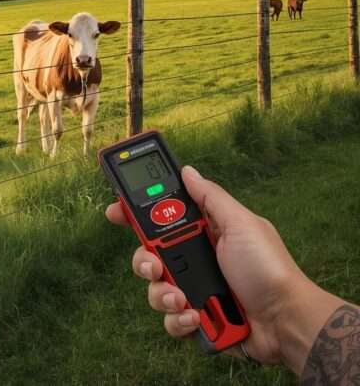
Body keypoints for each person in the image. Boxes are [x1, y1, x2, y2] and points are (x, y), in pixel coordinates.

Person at [106, 165, 359, 384]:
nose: (153, 189)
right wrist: (280, 315)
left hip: (194, 237)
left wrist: (281, 311)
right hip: (172, 245)